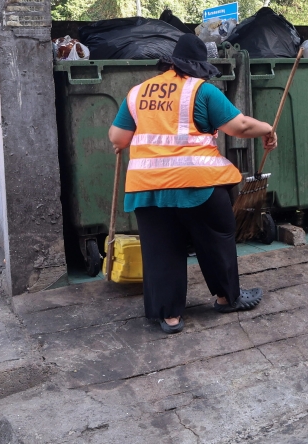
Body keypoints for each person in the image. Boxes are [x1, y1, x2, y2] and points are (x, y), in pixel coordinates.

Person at [108, 34, 277, 334]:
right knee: (217, 237)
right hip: (197, 186)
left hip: (147, 191)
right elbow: (240, 127)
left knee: (161, 249)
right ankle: (226, 297)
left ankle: (169, 317)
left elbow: (118, 138)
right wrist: (267, 129)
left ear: (172, 63)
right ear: (199, 68)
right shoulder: (202, 92)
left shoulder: (137, 93)